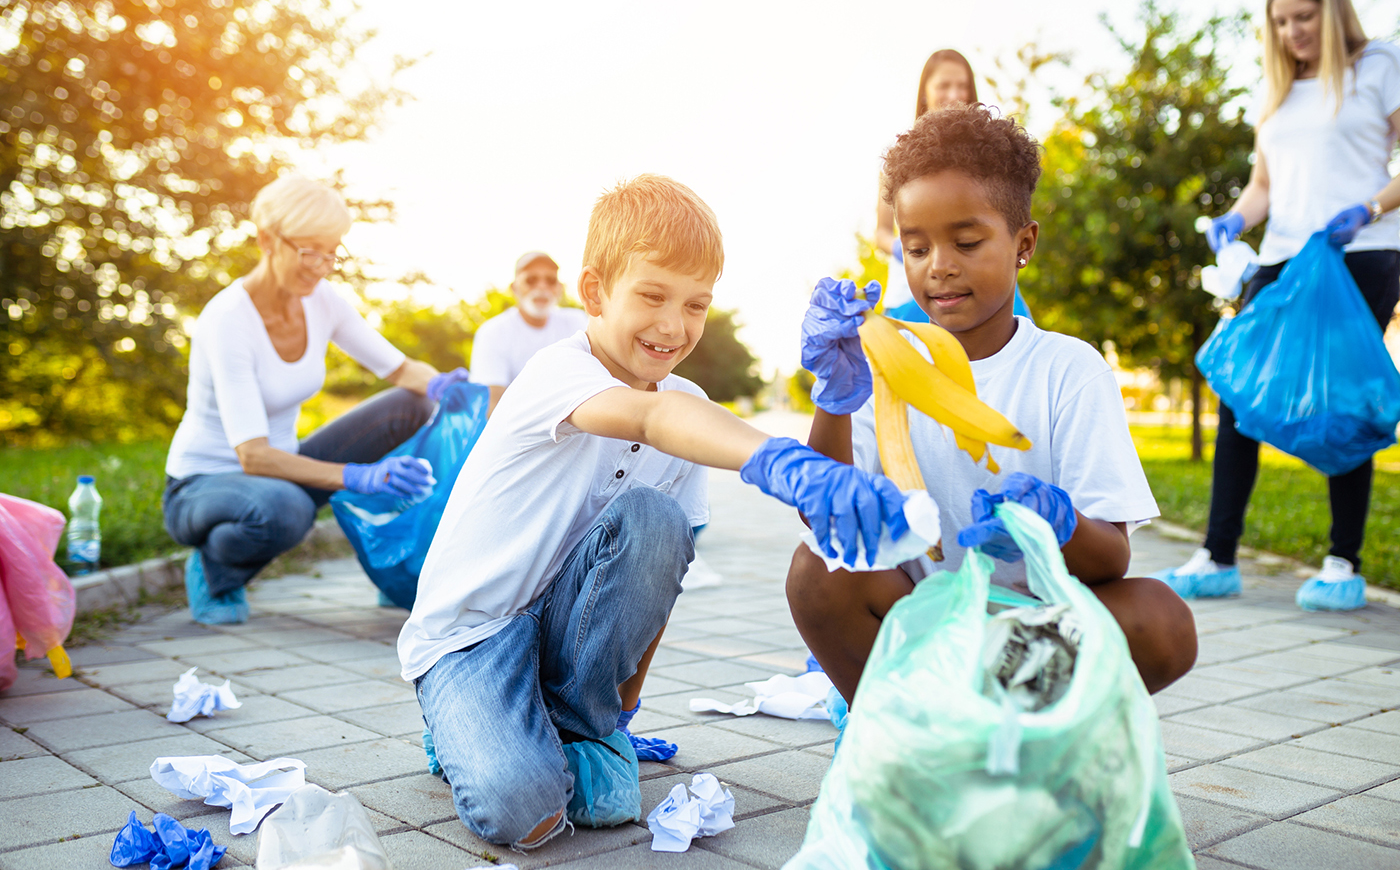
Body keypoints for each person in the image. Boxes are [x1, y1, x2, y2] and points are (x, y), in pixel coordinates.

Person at [399, 174, 910, 850]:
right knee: (525, 812)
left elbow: (660, 571)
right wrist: (782, 464)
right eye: (651, 296)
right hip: (473, 634)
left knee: (657, 520)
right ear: (594, 293)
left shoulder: (686, 402)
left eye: (696, 305)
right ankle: (468, 728)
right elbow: (650, 414)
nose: (674, 326)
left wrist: (621, 711)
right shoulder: (558, 372)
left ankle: (570, 723)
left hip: (564, 633)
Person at [788, 105, 1198, 715]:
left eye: (967, 241)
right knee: (814, 574)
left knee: (1163, 620)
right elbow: (829, 522)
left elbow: (1112, 557)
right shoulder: (884, 369)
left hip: (1038, 636)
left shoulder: (1069, 371)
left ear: (1023, 243)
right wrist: (834, 401)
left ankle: (1028, 736)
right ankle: (898, 735)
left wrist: (1056, 523)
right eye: (917, 247)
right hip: (924, 626)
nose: (939, 266)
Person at [1155, 0, 1400, 612]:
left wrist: (1372, 208)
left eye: (1304, 17)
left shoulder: (1378, 67)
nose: (1292, 31)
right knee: (1239, 392)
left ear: (1331, 9)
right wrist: (1235, 218)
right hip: (1283, 256)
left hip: (1360, 253)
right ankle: (1218, 555)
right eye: (1281, 22)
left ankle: (1342, 562)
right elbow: (1265, 185)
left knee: (1340, 403)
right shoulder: (1278, 91)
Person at [163, 175, 471, 625]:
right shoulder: (229, 320)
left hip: (281, 468)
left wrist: (443, 386)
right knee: (288, 511)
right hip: (202, 485)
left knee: (413, 403)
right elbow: (252, 456)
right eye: (309, 251)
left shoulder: (321, 300)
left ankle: (394, 562)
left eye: (331, 252)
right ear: (266, 240)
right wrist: (358, 476)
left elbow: (401, 371)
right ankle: (214, 569)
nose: (321, 266)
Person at [875, 48, 1031, 323]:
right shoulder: (899, 160)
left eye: (962, 86)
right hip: (913, 298)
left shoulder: (993, 155)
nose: (954, 94)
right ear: (925, 92)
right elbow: (881, 232)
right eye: (944, 85)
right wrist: (908, 248)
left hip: (985, 287)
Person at [470, 252, 588, 414]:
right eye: (531, 280)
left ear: (559, 288)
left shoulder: (578, 321)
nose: (542, 287)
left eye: (550, 280)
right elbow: (491, 404)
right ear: (515, 288)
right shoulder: (492, 332)